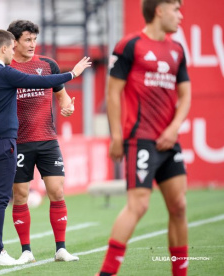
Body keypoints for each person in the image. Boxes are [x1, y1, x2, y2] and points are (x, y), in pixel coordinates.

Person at [0, 29, 92, 266]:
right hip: (6, 141)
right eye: (13, 46)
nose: (15, 51)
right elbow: (39, 81)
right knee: (1, 198)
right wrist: (72, 73)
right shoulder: (5, 73)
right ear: (5, 48)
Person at [97, 1, 190, 275]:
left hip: (168, 140)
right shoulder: (130, 45)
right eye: (176, 9)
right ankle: (106, 272)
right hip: (140, 139)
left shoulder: (177, 49)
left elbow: (185, 95)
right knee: (139, 205)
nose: (180, 15)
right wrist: (116, 136)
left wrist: (173, 128)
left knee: (180, 206)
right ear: (160, 10)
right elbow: (113, 93)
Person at [7, 20, 79, 263]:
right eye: (27, 40)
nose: (32, 44)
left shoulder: (48, 65)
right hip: (20, 142)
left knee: (57, 191)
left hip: (48, 140)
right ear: (14, 42)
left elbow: (62, 96)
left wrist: (67, 107)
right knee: (20, 195)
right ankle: (26, 251)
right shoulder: (7, 67)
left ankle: (61, 249)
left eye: (34, 39)